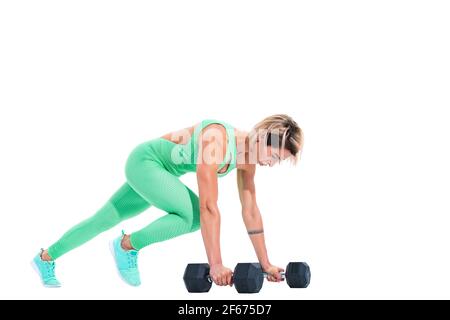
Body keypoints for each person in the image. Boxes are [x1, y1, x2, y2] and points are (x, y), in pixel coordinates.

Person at [32, 114, 304, 287]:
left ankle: (45, 257)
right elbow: (208, 207)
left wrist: (265, 263)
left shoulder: (248, 161)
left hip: (157, 172)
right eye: (275, 156)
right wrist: (216, 265)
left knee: (103, 219)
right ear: (264, 137)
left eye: (278, 161)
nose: (272, 164)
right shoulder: (217, 139)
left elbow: (251, 210)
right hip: (146, 162)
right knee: (195, 217)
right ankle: (127, 246)